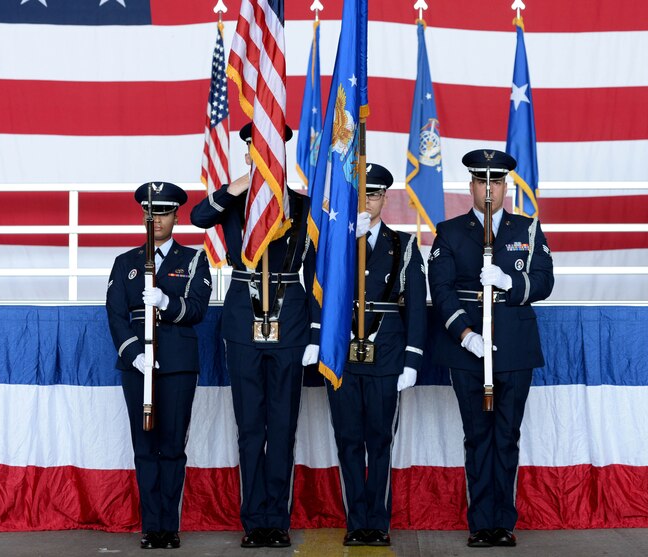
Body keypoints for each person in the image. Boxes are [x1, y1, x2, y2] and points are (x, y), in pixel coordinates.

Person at [190, 124, 316, 549]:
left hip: (290, 318)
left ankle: (276, 519)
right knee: (249, 427)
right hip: (244, 316)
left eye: (269, 150)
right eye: (255, 150)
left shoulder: (301, 204)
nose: (261, 156)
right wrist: (242, 184)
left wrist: (314, 329)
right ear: (248, 154)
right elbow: (198, 216)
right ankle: (253, 520)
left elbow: (316, 270)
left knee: (282, 425)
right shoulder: (235, 199)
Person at [427, 149, 554, 548]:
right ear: (471, 186)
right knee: (476, 436)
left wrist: (507, 283)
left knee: (507, 435)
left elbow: (545, 282)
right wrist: (465, 334)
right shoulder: (449, 231)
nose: (488, 190)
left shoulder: (527, 230)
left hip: (515, 348)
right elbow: (442, 290)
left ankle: (504, 521)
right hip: (469, 349)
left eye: (496, 183)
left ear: (505, 187)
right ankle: (481, 523)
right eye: (481, 182)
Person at [306, 163, 426, 546]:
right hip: (341, 353)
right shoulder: (332, 241)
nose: (368, 201)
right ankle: (356, 522)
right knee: (348, 439)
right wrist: (343, 243)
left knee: (380, 440)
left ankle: (379, 522)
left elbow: (417, 309)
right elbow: (317, 291)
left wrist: (412, 359)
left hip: (386, 356)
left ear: (384, 199)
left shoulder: (402, 244)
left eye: (374, 194)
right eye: (361, 194)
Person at [106, 182, 212, 550]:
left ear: (176, 216)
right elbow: (116, 315)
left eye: (164, 213)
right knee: (144, 447)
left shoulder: (194, 259)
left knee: (172, 448)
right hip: (138, 365)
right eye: (150, 213)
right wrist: (133, 352)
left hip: (179, 364)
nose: (156, 220)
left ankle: (170, 525)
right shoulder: (125, 264)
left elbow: (197, 309)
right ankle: (151, 526)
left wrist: (166, 301)